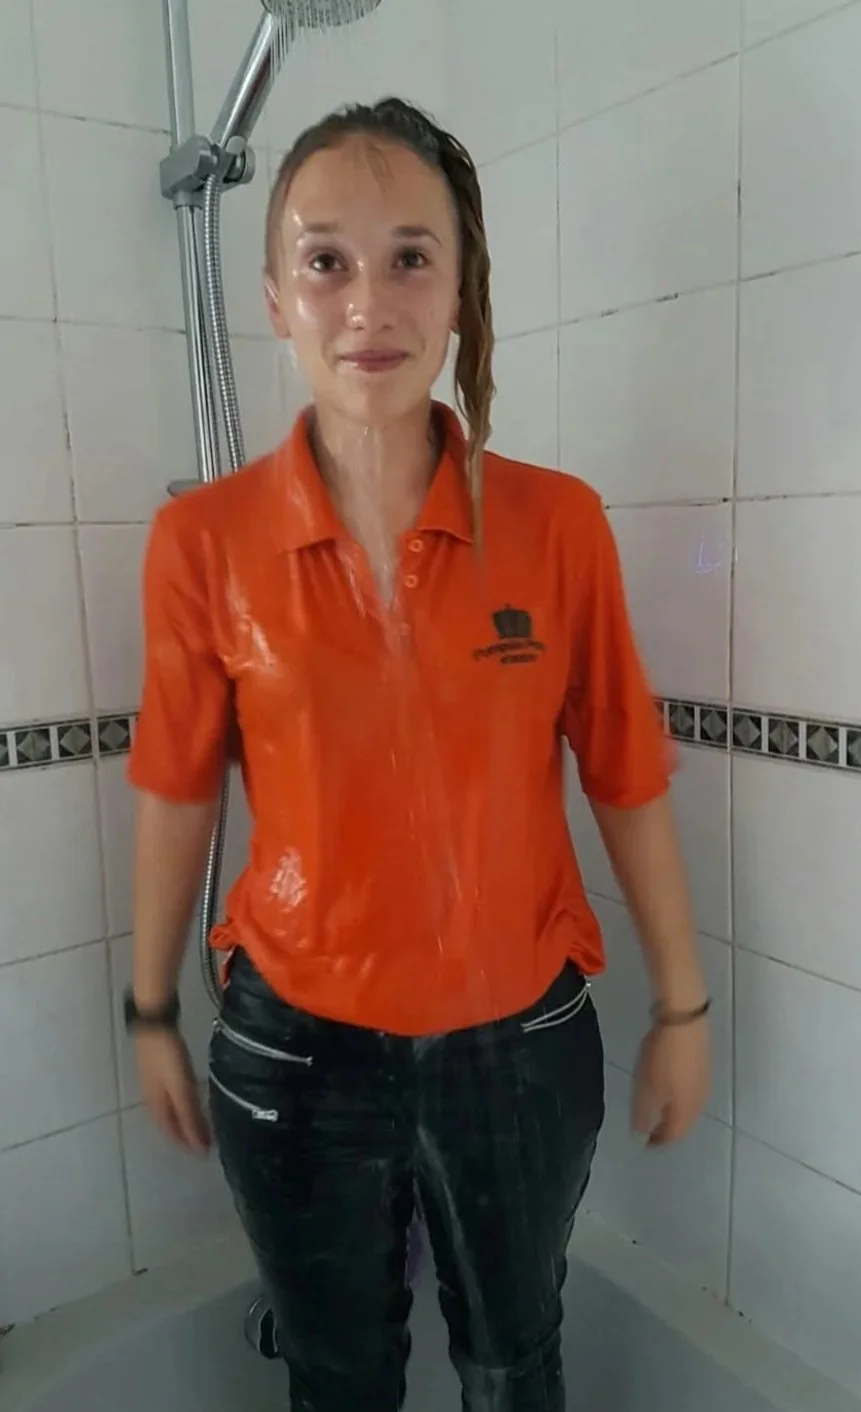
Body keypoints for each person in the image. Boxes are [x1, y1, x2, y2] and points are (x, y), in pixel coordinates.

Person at [125, 96, 711, 1412]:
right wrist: (150, 1006)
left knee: (514, 1364)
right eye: (325, 260)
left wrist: (683, 1006)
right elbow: (175, 787)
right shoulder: (202, 543)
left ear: (458, 291)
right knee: (337, 1379)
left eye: (409, 259)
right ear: (275, 298)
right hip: (293, 1050)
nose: (367, 304)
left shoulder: (556, 525)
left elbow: (626, 774)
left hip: (520, 1045)